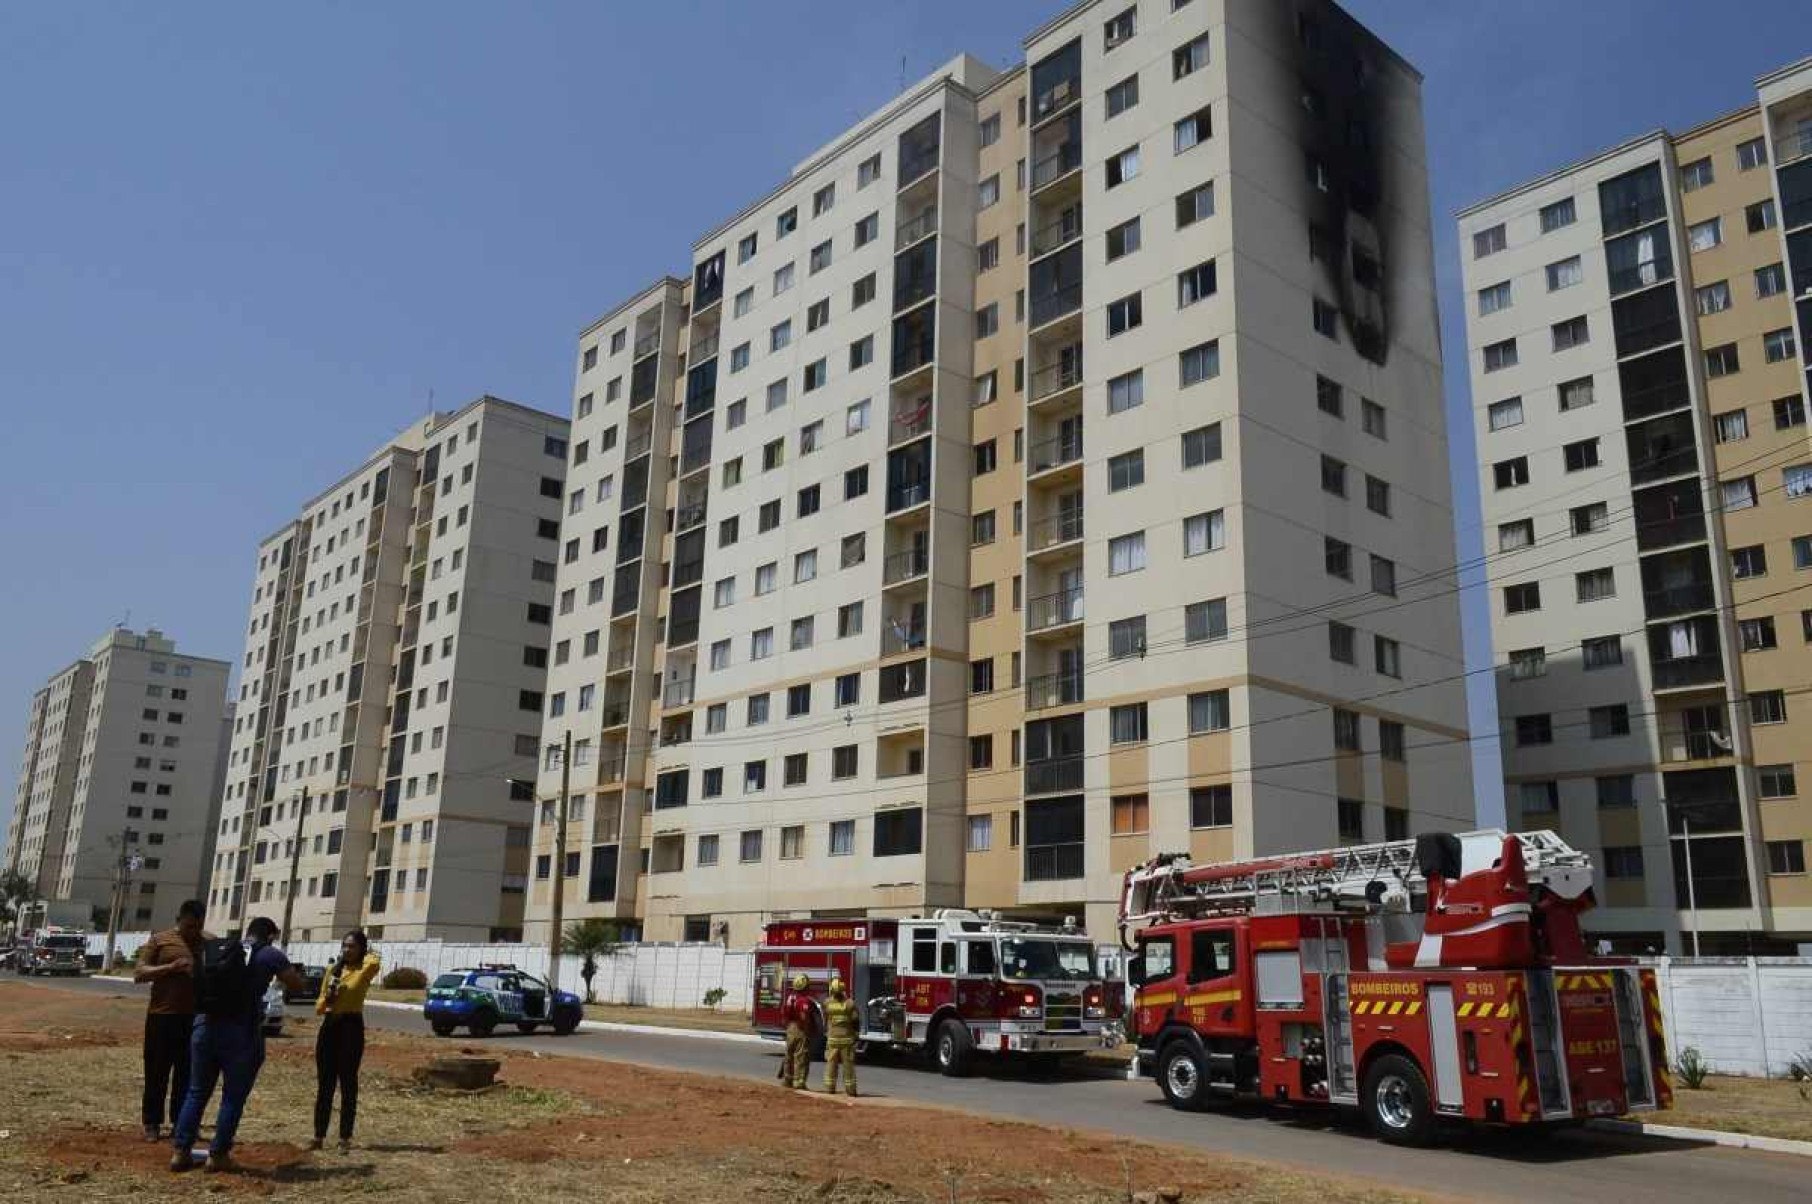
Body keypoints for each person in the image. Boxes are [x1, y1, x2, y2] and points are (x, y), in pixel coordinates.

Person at [170, 916, 305, 1173]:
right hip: (240, 1031)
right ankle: (218, 1154)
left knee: (197, 1091)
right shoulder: (269, 954)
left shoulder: (221, 949)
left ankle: (180, 1151)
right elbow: (296, 985)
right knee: (232, 1096)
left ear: (248, 932)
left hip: (204, 1025)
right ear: (271, 935)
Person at [134, 899, 207, 1141]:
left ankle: (181, 1123)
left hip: (193, 1018)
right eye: (189, 927)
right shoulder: (160, 940)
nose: (193, 932)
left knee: (187, 1074)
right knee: (156, 1072)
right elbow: (140, 973)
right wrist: (170, 967)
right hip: (161, 1016)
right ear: (179, 920)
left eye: (197, 927)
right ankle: (152, 1122)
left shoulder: (207, 943)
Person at [312, 930, 380, 1153]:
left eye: (352, 946)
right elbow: (319, 1006)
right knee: (325, 1084)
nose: (347, 950)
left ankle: (344, 1137)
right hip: (330, 1026)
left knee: (348, 1083)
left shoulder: (364, 969)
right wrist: (329, 997)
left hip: (351, 1026)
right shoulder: (333, 971)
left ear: (361, 948)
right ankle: (319, 1135)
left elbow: (375, 961)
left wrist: (362, 955)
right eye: (344, 946)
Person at [821, 977, 859, 1098]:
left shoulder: (827, 1003)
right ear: (842, 989)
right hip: (847, 1040)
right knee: (848, 1066)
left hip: (832, 1039)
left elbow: (825, 1018)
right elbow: (855, 1020)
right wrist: (856, 1035)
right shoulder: (849, 1003)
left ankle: (829, 1088)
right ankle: (851, 1090)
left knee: (831, 1064)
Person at [779, 973, 816, 1090]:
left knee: (789, 1055)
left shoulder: (790, 998)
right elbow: (804, 1017)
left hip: (790, 1028)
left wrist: (788, 1028)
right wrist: (807, 1030)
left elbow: (784, 1015)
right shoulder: (805, 1001)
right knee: (801, 1056)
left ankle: (787, 1080)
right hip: (800, 1029)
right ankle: (799, 1082)